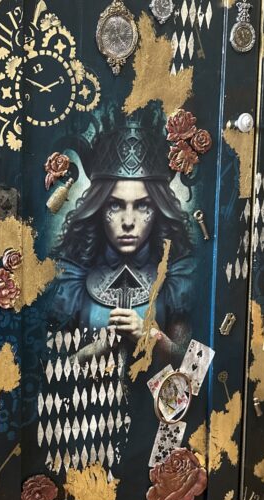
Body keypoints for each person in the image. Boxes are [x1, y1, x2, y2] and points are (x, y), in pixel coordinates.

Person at [49, 114, 195, 355]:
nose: (128, 222)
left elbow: (197, 372)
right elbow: (49, 372)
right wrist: (99, 348)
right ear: (98, 207)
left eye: (143, 205)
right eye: (115, 205)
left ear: (158, 209)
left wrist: (151, 337)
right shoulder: (71, 277)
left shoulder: (179, 275)